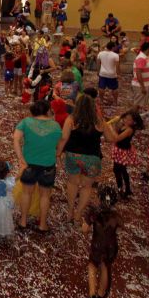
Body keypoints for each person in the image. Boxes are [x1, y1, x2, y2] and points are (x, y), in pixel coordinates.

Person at [57, 93, 116, 225]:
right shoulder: (99, 121)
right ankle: (78, 215)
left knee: (72, 183)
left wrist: (58, 154)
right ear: (93, 107)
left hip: (73, 156)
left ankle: (70, 211)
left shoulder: (71, 119)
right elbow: (111, 139)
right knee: (87, 187)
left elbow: (64, 138)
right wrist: (107, 124)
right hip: (93, 158)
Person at [13, 100, 61, 232]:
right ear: (47, 110)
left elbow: (16, 140)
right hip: (48, 164)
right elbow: (59, 143)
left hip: (29, 164)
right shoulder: (56, 126)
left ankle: (23, 222)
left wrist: (21, 159)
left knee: (26, 192)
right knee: (45, 195)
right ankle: (42, 224)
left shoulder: (25, 122)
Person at [82, 184, 121, 298]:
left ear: (99, 199)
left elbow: (84, 229)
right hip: (111, 247)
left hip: (97, 245)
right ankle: (101, 294)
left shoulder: (94, 213)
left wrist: (86, 223)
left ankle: (92, 294)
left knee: (92, 266)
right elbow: (119, 226)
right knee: (105, 267)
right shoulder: (116, 215)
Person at [110, 110, 144, 199]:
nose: (125, 120)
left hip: (122, 152)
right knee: (120, 170)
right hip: (119, 150)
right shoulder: (124, 126)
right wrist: (116, 122)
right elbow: (117, 131)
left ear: (134, 122)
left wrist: (110, 128)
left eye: (128, 120)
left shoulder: (129, 130)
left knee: (118, 170)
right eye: (125, 118)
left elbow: (117, 138)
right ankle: (126, 189)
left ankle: (121, 189)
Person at [131, 42, 149, 116]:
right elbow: (138, 73)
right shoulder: (141, 58)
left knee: (139, 103)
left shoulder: (145, 56)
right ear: (148, 49)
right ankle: (133, 117)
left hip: (144, 84)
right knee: (137, 103)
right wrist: (142, 87)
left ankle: (135, 116)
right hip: (140, 85)